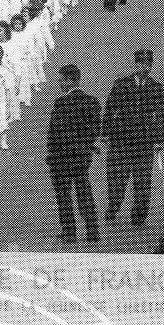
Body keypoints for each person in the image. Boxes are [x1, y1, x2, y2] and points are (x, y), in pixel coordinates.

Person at [101, 48, 164, 227]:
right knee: (116, 179)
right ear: (136, 64)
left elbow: (162, 115)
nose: (145, 68)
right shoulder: (121, 84)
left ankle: (138, 217)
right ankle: (113, 207)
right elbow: (109, 109)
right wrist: (105, 132)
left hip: (144, 142)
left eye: (148, 64)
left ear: (151, 66)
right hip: (120, 140)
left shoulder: (157, 88)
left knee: (143, 181)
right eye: (142, 64)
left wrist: (160, 139)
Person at [45, 63, 102, 243]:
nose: (60, 83)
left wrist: (51, 154)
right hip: (82, 156)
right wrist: (86, 147)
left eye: (61, 80)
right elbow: (94, 130)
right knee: (84, 191)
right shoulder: (93, 102)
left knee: (63, 195)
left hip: (61, 157)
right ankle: (93, 230)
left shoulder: (61, 102)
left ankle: (69, 233)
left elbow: (55, 132)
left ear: (69, 81)